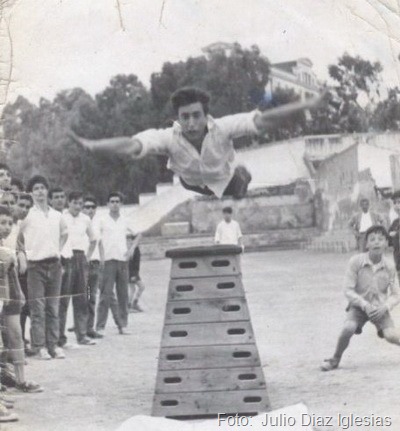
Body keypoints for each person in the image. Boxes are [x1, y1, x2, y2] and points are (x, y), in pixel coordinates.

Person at [70, 87, 324, 199]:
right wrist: (94, 145)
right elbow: (132, 145)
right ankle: (231, 178)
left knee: (238, 191)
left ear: (206, 115)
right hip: (192, 182)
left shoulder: (224, 127)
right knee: (191, 183)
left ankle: (243, 175)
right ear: (177, 118)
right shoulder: (168, 137)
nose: (191, 123)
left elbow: (264, 121)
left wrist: (305, 105)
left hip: (225, 180)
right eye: (185, 117)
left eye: (196, 116)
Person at [321, 225, 400, 371]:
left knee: (391, 336)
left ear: (386, 243)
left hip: (379, 309)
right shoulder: (356, 262)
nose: (376, 242)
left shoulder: (389, 266)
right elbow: (348, 290)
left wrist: (385, 307)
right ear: (366, 244)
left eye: (380, 239)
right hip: (359, 306)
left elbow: (396, 294)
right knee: (348, 328)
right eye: (372, 239)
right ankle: (335, 359)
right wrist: (364, 305)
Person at [18, 175, 68, 360]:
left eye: (42, 188)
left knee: (53, 307)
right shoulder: (28, 215)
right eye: (36, 188)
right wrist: (24, 253)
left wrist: (57, 250)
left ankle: (53, 345)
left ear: (47, 191)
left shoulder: (57, 215)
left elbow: (64, 234)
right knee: (37, 308)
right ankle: (40, 347)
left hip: (54, 264)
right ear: (31, 193)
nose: (40, 192)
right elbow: (17, 235)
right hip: (35, 266)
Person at [0, 204, 43, 394]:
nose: (6, 227)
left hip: (11, 292)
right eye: (2, 223)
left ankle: (21, 379)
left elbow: (12, 273)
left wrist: (19, 293)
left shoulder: (8, 245)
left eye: (9, 223)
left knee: (16, 335)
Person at [60, 192, 96, 346]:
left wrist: (87, 257)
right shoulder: (61, 216)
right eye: (74, 202)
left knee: (82, 298)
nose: (77, 206)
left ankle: (81, 335)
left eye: (80, 203)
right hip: (66, 258)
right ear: (68, 203)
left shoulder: (86, 219)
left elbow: (93, 239)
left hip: (81, 258)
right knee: (63, 299)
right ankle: (60, 337)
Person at [96, 192, 134, 335]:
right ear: (107, 204)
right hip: (108, 260)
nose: (115, 204)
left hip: (122, 260)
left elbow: (139, 232)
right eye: (112, 201)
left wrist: (131, 249)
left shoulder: (125, 219)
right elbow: (97, 239)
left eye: (117, 201)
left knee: (123, 294)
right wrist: (101, 256)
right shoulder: (102, 220)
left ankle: (123, 325)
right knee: (105, 295)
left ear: (121, 204)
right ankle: (100, 327)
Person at [82, 196, 103, 339]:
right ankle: (81, 328)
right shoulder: (79, 223)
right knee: (82, 297)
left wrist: (103, 261)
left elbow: (100, 244)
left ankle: (90, 328)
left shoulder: (97, 224)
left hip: (95, 264)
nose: (90, 210)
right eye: (87, 207)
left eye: (92, 207)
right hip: (82, 264)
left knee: (92, 297)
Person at [126, 234, 145, 313]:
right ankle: (131, 304)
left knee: (133, 289)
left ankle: (132, 304)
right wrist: (133, 275)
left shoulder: (135, 249)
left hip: (134, 272)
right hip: (132, 273)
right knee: (141, 287)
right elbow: (130, 264)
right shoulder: (131, 250)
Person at [388, 190, 400, 272]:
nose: (397, 206)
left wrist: (397, 234)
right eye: (394, 203)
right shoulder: (395, 222)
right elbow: (388, 237)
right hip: (398, 258)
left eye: (399, 202)